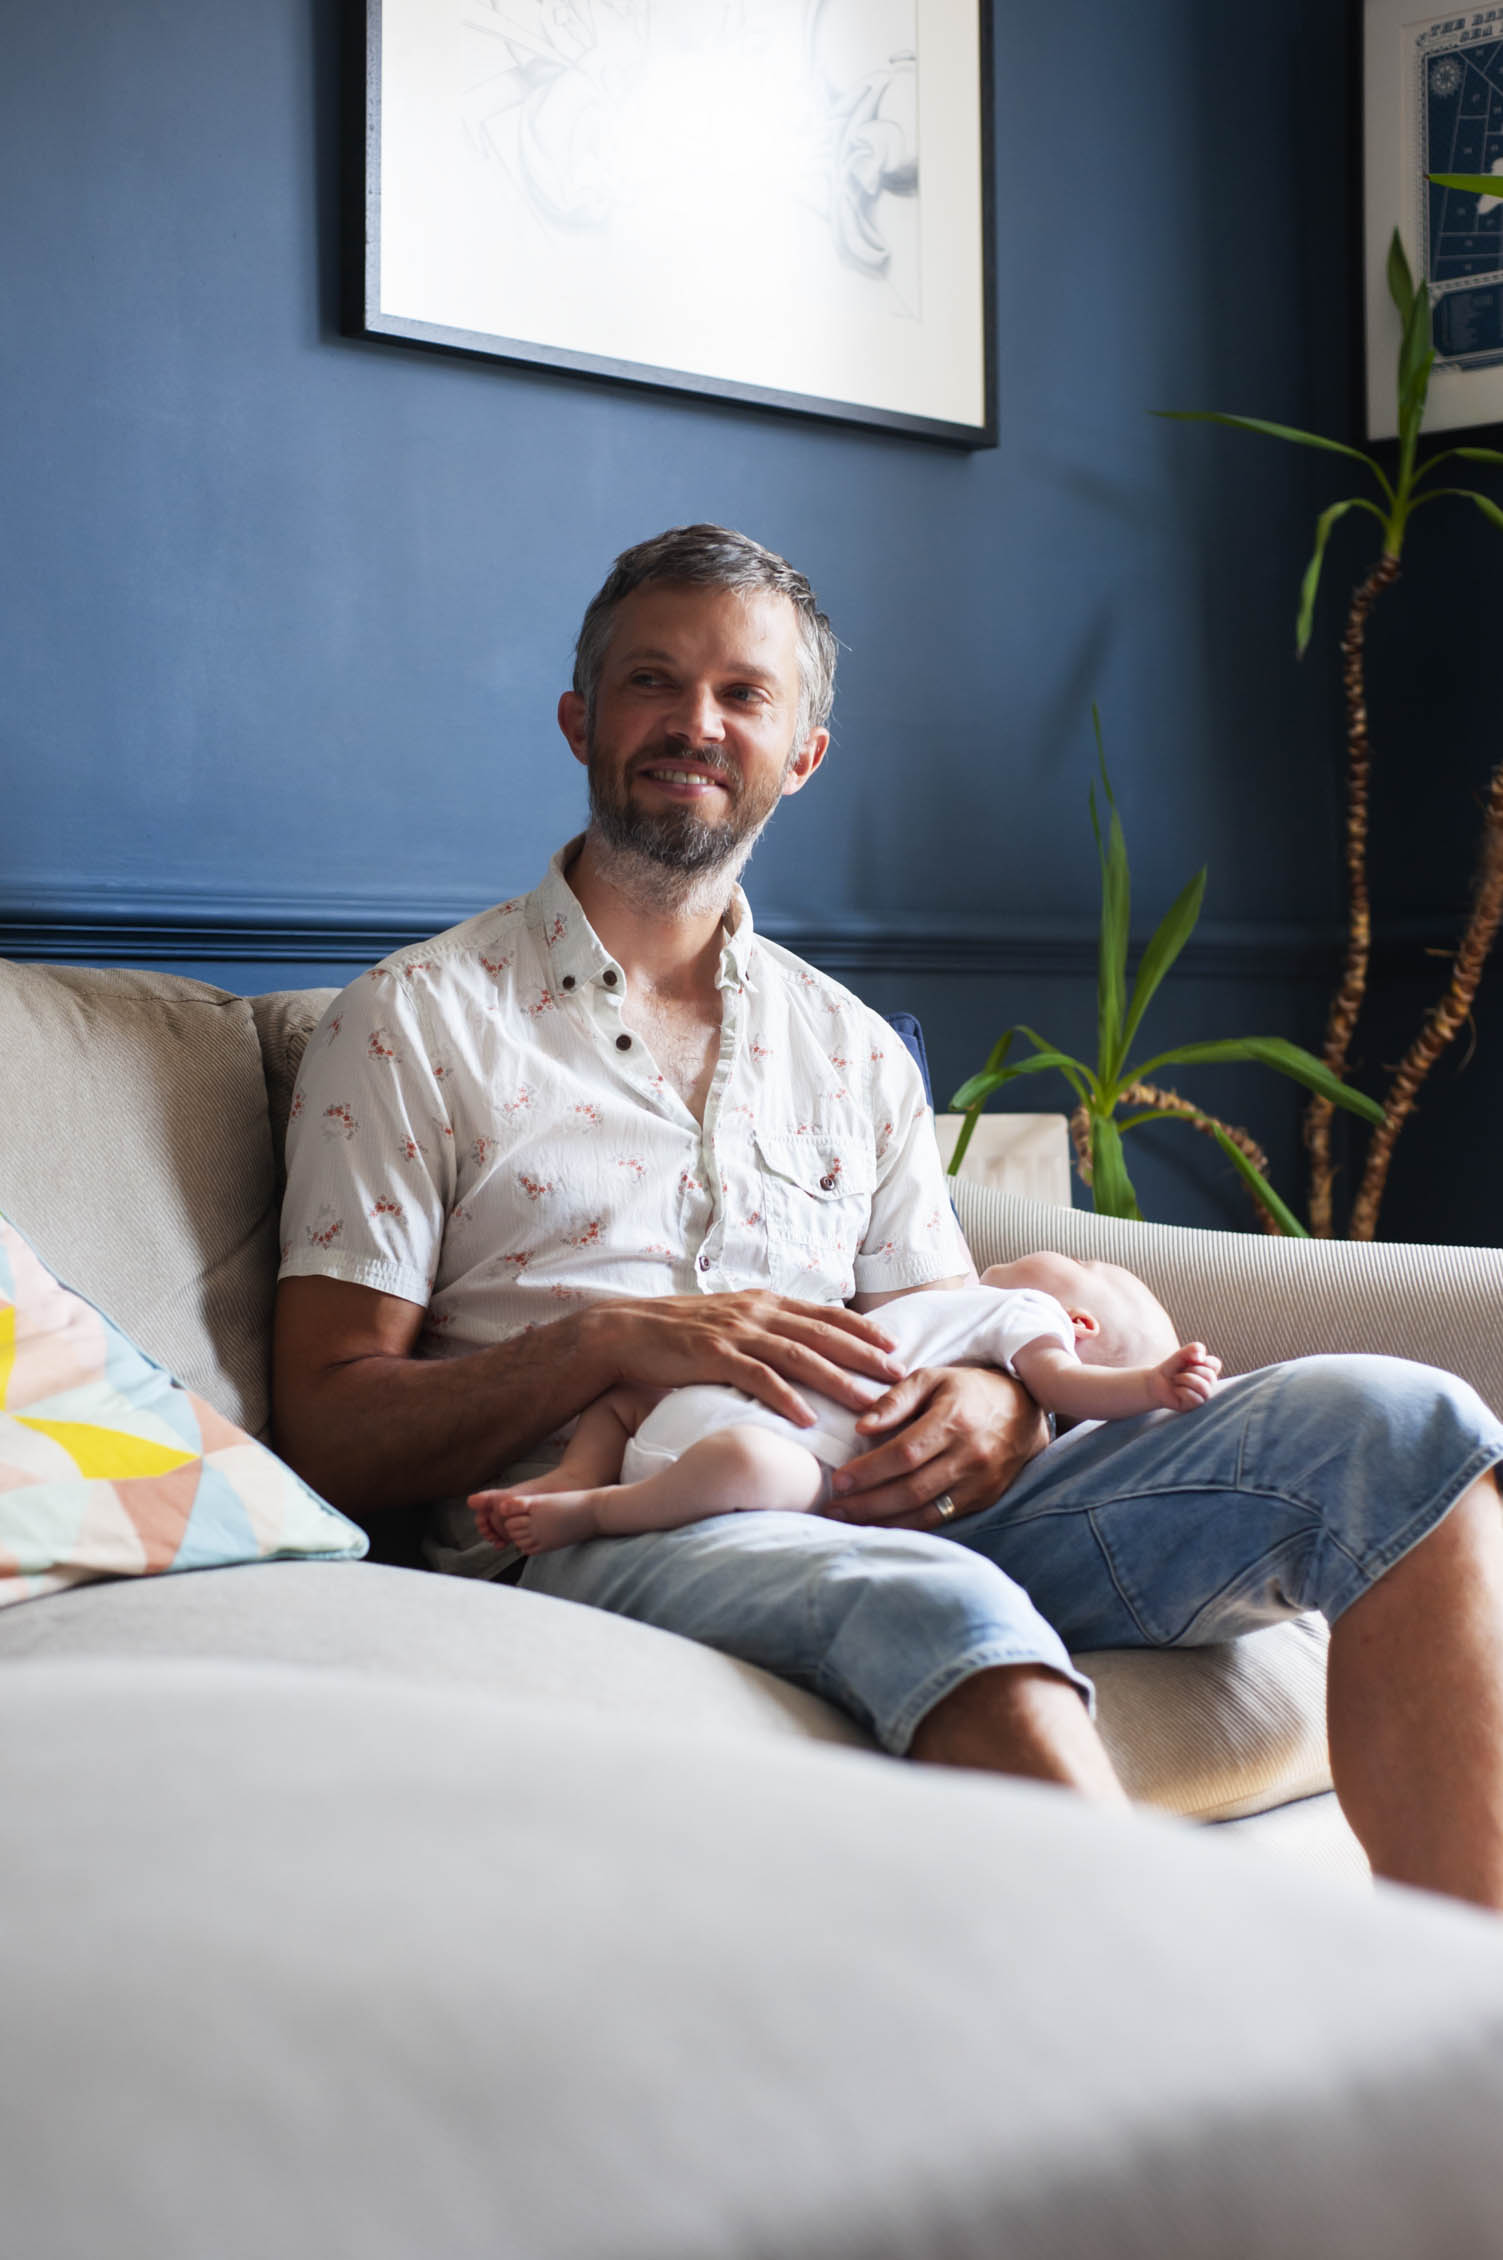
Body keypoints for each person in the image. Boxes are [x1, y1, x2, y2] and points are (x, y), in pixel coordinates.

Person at [273, 522, 1503, 1911]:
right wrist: (609, 1344)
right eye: (649, 682)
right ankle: (1178, 2039)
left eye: (742, 694)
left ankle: (1469, 2031)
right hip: (623, 1525)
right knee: (940, 1603)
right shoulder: (414, 1023)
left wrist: (1003, 1411)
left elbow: (951, 1338)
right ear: (577, 719)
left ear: (799, 755)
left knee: (1402, 1424)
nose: (693, 722)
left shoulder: (849, 1048)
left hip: (875, 1481)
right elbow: (328, 1422)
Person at [471, 1254, 1221, 1555]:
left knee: (747, 1467)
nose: (1063, 1251)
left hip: (790, 1462)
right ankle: (572, 1474)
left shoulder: (1023, 1315)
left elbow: (1061, 1385)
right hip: (709, 1404)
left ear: (1076, 1323)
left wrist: (1147, 1388)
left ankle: (594, 1508)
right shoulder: (960, 1312)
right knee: (627, 1394)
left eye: (1086, 1266)